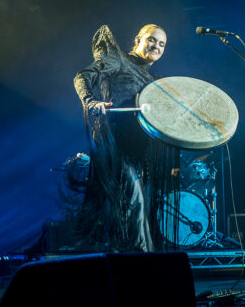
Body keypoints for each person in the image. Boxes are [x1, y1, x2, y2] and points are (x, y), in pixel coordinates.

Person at [70, 23, 173, 252]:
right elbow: (81, 77)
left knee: (142, 208)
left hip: (138, 150)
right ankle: (138, 260)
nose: (156, 46)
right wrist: (90, 102)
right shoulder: (119, 61)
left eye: (162, 44)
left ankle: (142, 259)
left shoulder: (153, 79)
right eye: (152, 39)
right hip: (115, 145)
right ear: (138, 40)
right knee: (135, 201)